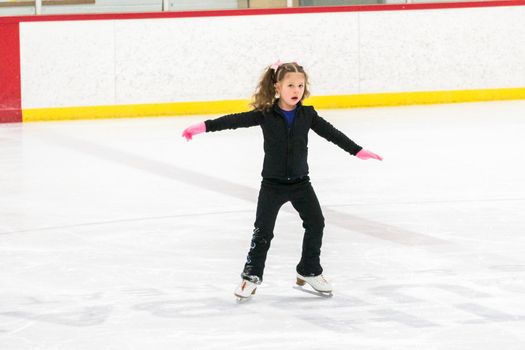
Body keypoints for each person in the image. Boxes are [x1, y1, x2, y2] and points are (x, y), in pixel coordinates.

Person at [182, 61, 382, 299]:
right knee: (263, 232)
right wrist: (203, 126)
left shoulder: (308, 115)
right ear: (277, 87)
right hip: (273, 185)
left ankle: (309, 270)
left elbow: (332, 134)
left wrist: (357, 151)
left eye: (300, 85)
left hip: (301, 183)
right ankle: (251, 277)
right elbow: (233, 121)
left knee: (316, 223)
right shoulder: (266, 115)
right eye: (290, 85)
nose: (296, 90)